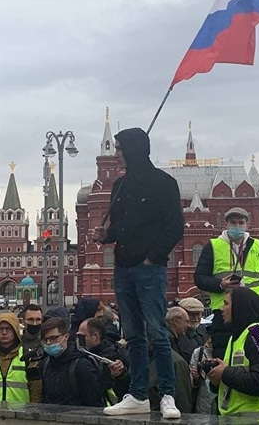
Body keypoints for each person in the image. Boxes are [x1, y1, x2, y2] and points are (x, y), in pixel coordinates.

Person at [90, 127, 184, 419]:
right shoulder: (119, 186)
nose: (116, 153)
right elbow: (120, 228)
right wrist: (105, 235)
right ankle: (139, 394)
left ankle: (168, 395)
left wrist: (151, 258)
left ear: (133, 149)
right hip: (123, 269)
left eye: (119, 148)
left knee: (157, 333)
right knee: (133, 336)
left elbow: (175, 227)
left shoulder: (164, 183)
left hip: (148, 270)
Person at [194, 207, 259, 359]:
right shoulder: (213, 246)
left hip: (254, 311)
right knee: (225, 356)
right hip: (225, 313)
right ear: (226, 224)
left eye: (241, 223)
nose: (237, 226)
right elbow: (199, 278)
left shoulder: (257, 245)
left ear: (247, 225)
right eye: (233, 222)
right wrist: (220, 284)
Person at [205, 287, 259, 424]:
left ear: (240, 307)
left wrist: (225, 373)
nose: (222, 308)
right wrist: (217, 380)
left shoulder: (257, 336)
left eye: (226, 304)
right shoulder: (235, 338)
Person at [38, 316, 104, 407]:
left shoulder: (81, 366)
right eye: (45, 340)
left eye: (53, 338)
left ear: (66, 337)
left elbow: (94, 404)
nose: (49, 343)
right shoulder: (45, 364)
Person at [77, 317, 130, 402]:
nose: (78, 340)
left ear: (95, 336)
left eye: (82, 337)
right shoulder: (84, 353)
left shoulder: (110, 357)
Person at [189, 333, 216, 414]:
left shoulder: (222, 351)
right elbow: (191, 379)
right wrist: (195, 377)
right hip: (203, 393)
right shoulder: (198, 352)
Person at [178, 298, 208, 364]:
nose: (196, 318)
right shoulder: (177, 333)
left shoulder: (204, 330)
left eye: (198, 314)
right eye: (192, 314)